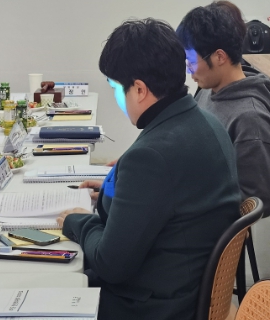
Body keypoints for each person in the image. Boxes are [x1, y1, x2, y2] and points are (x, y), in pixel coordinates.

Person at [57, 18, 242, 320]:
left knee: (48, 287)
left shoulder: (151, 156)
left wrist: (76, 221)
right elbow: (166, 196)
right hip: (185, 291)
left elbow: (111, 264)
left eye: (116, 87)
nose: (117, 97)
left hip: (152, 306)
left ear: (140, 89)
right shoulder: (206, 122)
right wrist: (119, 189)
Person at [176, 2, 270, 217]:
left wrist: (186, 196)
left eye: (192, 62)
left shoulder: (250, 119)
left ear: (219, 57)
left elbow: (261, 199)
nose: (190, 72)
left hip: (204, 224)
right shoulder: (208, 90)